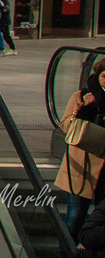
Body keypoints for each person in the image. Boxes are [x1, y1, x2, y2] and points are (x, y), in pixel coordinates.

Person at [58, 58, 105, 235]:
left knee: (100, 221)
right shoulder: (81, 96)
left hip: (103, 170)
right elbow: (66, 125)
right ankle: (67, 252)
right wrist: (83, 110)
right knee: (75, 217)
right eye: (104, 76)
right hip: (82, 167)